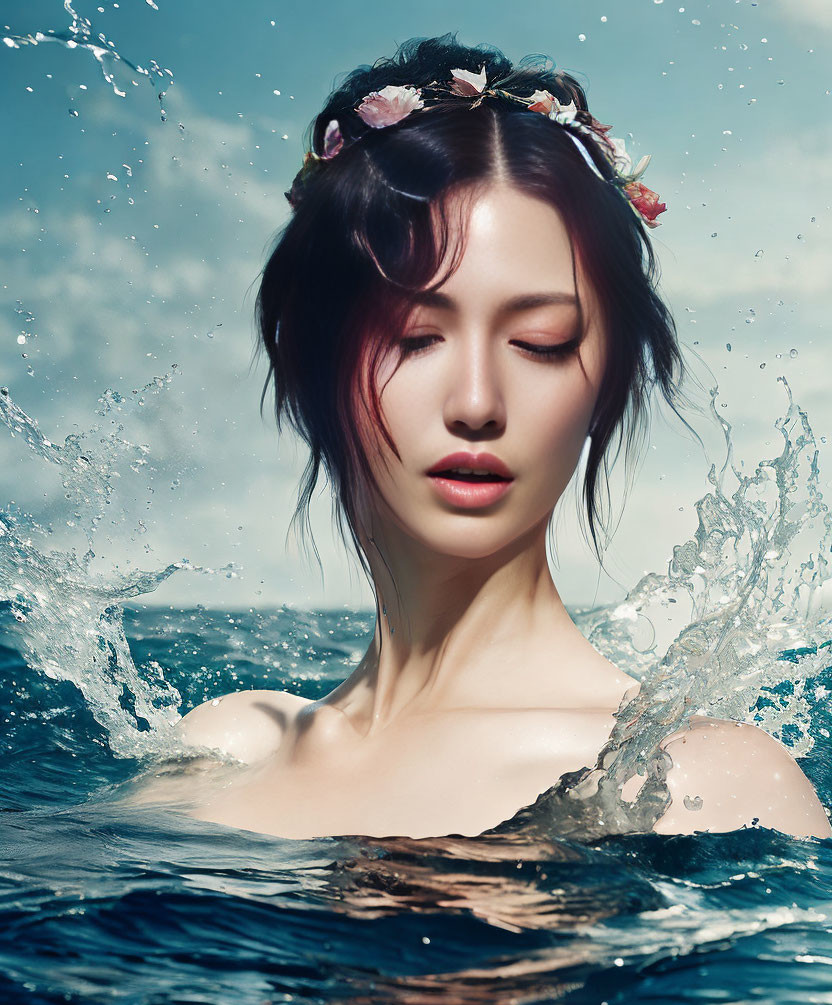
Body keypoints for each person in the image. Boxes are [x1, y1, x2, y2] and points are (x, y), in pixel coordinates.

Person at [131, 33, 831, 841]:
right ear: (312, 357)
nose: (476, 401)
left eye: (541, 344)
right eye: (412, 338)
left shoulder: (694, 780)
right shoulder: (219, 752)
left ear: (607, 382)